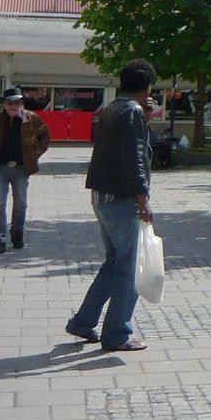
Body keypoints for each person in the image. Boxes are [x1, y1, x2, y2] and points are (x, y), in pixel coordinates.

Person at [65, 59, 156, 352]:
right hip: (122, 198)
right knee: (129, 269)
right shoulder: (133, 111)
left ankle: (83, 321)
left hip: (102, 195)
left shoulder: (112, 109)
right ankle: (117, 333)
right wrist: (144, 198)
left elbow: (120, 147)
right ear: (148, 86)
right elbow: (135, 159)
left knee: (114, 262)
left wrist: (146, 119)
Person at [0, 86, 51, 256]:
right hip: (0, 168)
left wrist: (34, 154)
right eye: (9, 103)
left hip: (21, 168)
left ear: (21, 104)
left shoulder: (32, 119)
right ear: (3, 105)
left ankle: (17, 233)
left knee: (21, 203)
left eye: (17, 103)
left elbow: (45, 136)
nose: (13, 106)